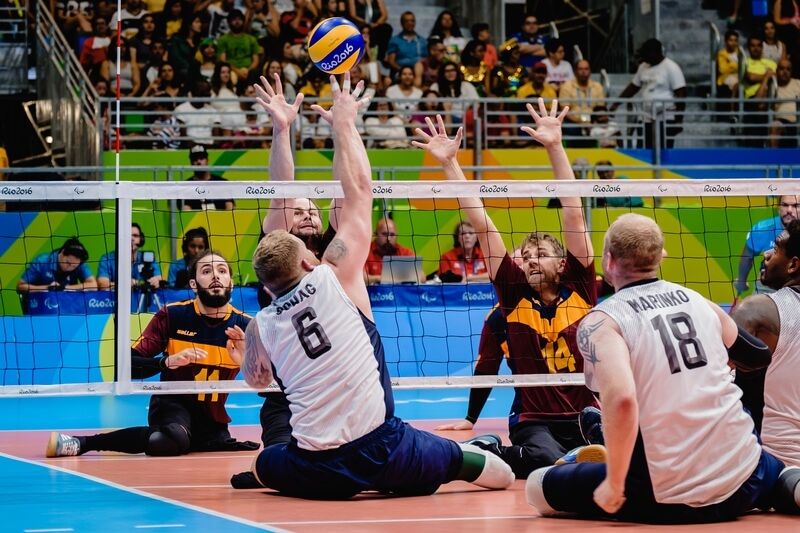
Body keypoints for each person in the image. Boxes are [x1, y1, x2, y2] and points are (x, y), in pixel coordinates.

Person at [241, 71, 514, 499]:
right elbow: (307, 192)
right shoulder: (320, 262)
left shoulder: (275, 303)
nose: (307, 213)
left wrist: (303, 130)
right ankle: (448, 459)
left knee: (265, 465)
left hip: (319, 447)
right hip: (309, 407)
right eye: (300, 210)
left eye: (314, 209)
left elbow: (339, 194)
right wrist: (334, 126)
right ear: (296, 246)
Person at [525, 213, 800, 522]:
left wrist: (614, 484)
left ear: (608, 260)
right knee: (779, 470)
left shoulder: (602, 321)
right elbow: (758, 355)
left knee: (535, 486)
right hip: (744, 479)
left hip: (666, 498)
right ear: (661, 256)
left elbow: (622, 400)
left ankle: (586, 455)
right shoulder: (699, 302)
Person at [417, 101, 600, 479]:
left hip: (586, 414)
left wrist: (554, 146)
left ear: (562, 263)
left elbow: (573, 211)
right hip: (534, 418)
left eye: (542, 255)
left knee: (627, 457)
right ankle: (495, 447)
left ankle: (547, 454)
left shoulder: (581, 287)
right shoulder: (514, 295)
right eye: (527, 255)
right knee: (547, 464)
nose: (532, 260)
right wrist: (449, 164)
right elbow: (483, 225)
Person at [46, 251, 259, 457]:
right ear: (193, 284)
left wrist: (245, 362)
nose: (215, 276)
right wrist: (166, 362)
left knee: (208, 447)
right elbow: (127, 365)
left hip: (212, 418)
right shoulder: (173, 315)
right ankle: (83, 443)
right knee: (171, 440)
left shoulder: (246, 327)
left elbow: (269, 382)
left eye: (222, 271)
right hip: (172, 406)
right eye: (206, 271)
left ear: (231, 282)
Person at [733, 218, 800, 466]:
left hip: (773, 463)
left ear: (793, 264)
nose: (768, 253)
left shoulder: (757, 310)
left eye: (777, 248)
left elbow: (711, 374)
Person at [611, 38, 687, 149]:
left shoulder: (671, 67)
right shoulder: (643, 67)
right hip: (646, 117)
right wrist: (616, 104)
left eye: (646, 54)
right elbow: (633, 87)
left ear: (655, 53)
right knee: (644, 148)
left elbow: (681, 93)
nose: (644, 57)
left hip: (665, 117)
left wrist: (678, 121)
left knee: (663, 149)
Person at [735, 195, 799, 295]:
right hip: (768, 284)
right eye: (785, 205)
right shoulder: (762, 228)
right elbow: (747, 258)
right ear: (778, 207)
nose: (789, 210)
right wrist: (741, 281)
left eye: (796, 206)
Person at [17, 237, 97, 293]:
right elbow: (20, 286)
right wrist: (48, 288)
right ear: (62, 252)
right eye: (68, 263)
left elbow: (93, 285)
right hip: (40, 306)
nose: (70, 268)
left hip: (68, 307)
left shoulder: (79, 263)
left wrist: (64, 288)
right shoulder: (42, 261)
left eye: (74, 266)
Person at [97, 223, 163, 290]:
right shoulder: (107, 259)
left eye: (135, 235)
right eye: (127, 235)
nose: (132, 239)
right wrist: (128, 284)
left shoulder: (148, 257)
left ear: (141, 239)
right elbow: (103, 284)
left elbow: (159, 279)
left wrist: (156, 281)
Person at [177, 145, 235, 211]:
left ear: (207, 160)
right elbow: (186, 211)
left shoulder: (222, 183)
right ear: (191, 163)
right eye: (195, 159)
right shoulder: (185, 186)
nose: (198, 162)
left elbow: (230, 208)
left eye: (201, 158)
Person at [365, 216, 416, 284]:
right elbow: (362, 278)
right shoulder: (365, 252)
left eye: (392, 235)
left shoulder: (405, 253)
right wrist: (382, 278)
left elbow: (422, 277)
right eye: (384, 234)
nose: (388, 238)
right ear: (375, 234)